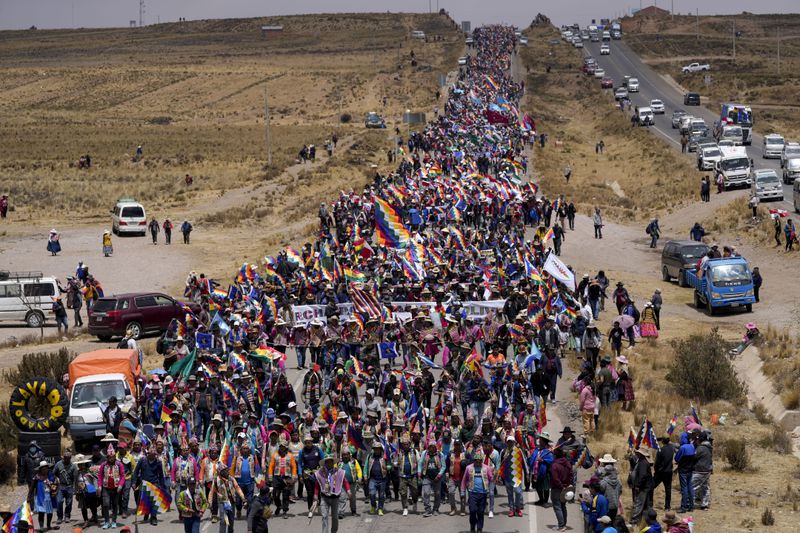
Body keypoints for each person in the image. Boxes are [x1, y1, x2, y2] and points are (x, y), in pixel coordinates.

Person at [314, 455, 350, 533]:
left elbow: (345, 481)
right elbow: (318, 484)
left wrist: (348, 490)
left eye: (330, 461)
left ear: (333, 462)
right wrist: (316, 495)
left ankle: (334, 531)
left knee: (335, 517)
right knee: (324, 516)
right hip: (324, 497)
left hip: (335, 498)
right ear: (325, 463)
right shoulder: (320, 472)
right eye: (327, 462)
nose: (329, 463)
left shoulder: (339, 471)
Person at [461, 450, 492, 533]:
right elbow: (464, 480)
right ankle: (472, 525)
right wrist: (463, 492)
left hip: (483, 493)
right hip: (472, 493)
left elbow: (491, 478)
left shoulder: (486, 468)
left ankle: (479, 528)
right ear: (474, 460)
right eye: (476, 461)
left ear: (481, 461)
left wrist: (495, 476)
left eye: (479, 461)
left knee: (481, 512)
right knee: (473, 510)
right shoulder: (469, 468)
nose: (478, 462)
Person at [210, 465, 243, 533]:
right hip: (222, 502)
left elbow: (237, 487)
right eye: (225, 470)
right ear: (220, 472)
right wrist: (210, 502)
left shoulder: (231, 479)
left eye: (227, 470)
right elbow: (211, 491)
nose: (227, 472)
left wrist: (242, 497)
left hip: (231, 502)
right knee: (223, 520)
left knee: (231, 520)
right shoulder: (216, 480)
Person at [99, 446, 124, 529]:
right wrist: (99, 486)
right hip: (106, 488)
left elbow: (122, 476)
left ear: (115, 456)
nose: (111, 458)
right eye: (109, 457)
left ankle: (114, 521)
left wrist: (120, 485)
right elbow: (100, 476)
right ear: (107, 457)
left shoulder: (119, 464)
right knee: (105, 505)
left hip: (116, 488)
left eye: (113, 457)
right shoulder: (103, 465)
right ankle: (106, 521)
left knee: (114, 505)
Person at [29, 460, 58, 531]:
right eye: (43, 469)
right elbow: (32, 487)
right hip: (40, 497)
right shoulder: (37, 477)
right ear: (40, 469)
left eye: (46, 468)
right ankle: (41, 527)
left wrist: (55, 491)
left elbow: (55, 484)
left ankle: (48, 525)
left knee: (50, 512)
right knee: (41, 512)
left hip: (50, 496)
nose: (45, 470)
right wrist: (29, 496)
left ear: (48, 468)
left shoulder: (51, 475)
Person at [549, 447, 572, 532]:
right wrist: (567, 485)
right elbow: (571, 474)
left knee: (557, 507)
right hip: (566, 488)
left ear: (555, 455)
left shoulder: (554, 465)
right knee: (563, 506)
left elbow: (555, 479)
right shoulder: (568, 463)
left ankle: (561, 525)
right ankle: (563, 524)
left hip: (557, 489)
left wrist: (561, 486)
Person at [630, 448, 654, 527]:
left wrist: (638, 485)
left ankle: (634, 521)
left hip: (643, 487)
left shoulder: (642, 463)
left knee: (639, 503)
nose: (637, 454)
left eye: (638, 453)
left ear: (641, 454)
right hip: (646, 486)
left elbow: (642, 475)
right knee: (646, 504)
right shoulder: (642, 461)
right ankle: (646, 520)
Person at [363, 442, 388, 516]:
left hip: (382, 479)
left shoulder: (384, 457)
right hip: (372, 479)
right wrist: (365, 475)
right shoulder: (370, 457)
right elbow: (366, 466)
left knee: (381, 495)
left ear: (380, 449)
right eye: (375, 449)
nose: (377, 450)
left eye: (378, 449)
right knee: (372, 494)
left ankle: (380, 508)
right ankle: (373, 506)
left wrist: (388, 467)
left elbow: (390, 465)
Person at [54, 450, 78, 525]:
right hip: (61, 486)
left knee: (69, 503)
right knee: (59, 501)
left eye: (67, 458)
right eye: (64, 457)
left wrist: (75, 488)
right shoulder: (58, 464)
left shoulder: (73, 466)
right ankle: (59, 517)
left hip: (69, 486)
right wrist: (56, 478)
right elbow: (53, 473)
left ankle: (67, 516)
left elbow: (75, 478)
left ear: (70, 458)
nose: (65, 459)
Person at [674, 432, 695, 513]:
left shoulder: (682, 448)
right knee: (690, 487)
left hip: (683, 470)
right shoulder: (692, 446)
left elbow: (677, 459)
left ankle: (683, 507)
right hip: (690, 470)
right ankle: (691, 506)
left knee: (684, 488)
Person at [692, 432, 712, 510]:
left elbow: (694, 457)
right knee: (705, 488)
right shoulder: (709, 447)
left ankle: (690, 503)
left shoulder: (700, 448)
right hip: (707, 470)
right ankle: (705, 504)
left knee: (692, 487)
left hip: (699, 470)